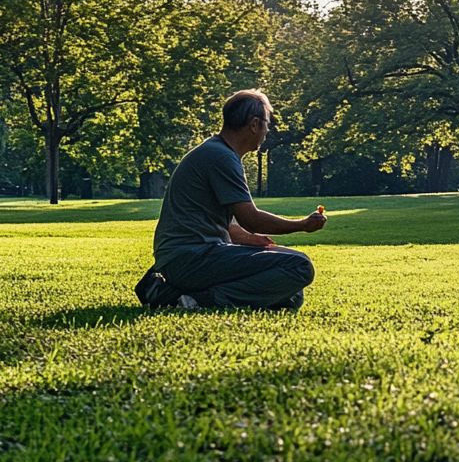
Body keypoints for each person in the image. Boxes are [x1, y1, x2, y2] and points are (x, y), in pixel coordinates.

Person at [134, 89, 326, 310]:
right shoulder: (221, 156)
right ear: (254, 124)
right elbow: (251, 219)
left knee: (291, 297)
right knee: (299, 266)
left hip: (192, 256)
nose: (267, 131)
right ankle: (197, 300)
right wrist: (302, 225)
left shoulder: (217, 152)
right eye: (267, 124)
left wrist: (249, 240)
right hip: (190, 258)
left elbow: (228, 223)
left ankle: (178, 295)